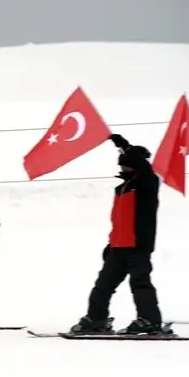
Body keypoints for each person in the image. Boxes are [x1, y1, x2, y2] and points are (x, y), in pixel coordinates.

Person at [70, 134, 166, 334]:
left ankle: (150, 321)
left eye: (126, 165)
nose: (122, 168)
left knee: (140, 285)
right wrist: (110, 244)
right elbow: (118, 221)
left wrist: (124, 146)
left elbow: (144, 168)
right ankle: (96, 319)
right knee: (102, 286)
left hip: (138, 247)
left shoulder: (147, 183)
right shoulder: (122, 188)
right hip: (119, 247)